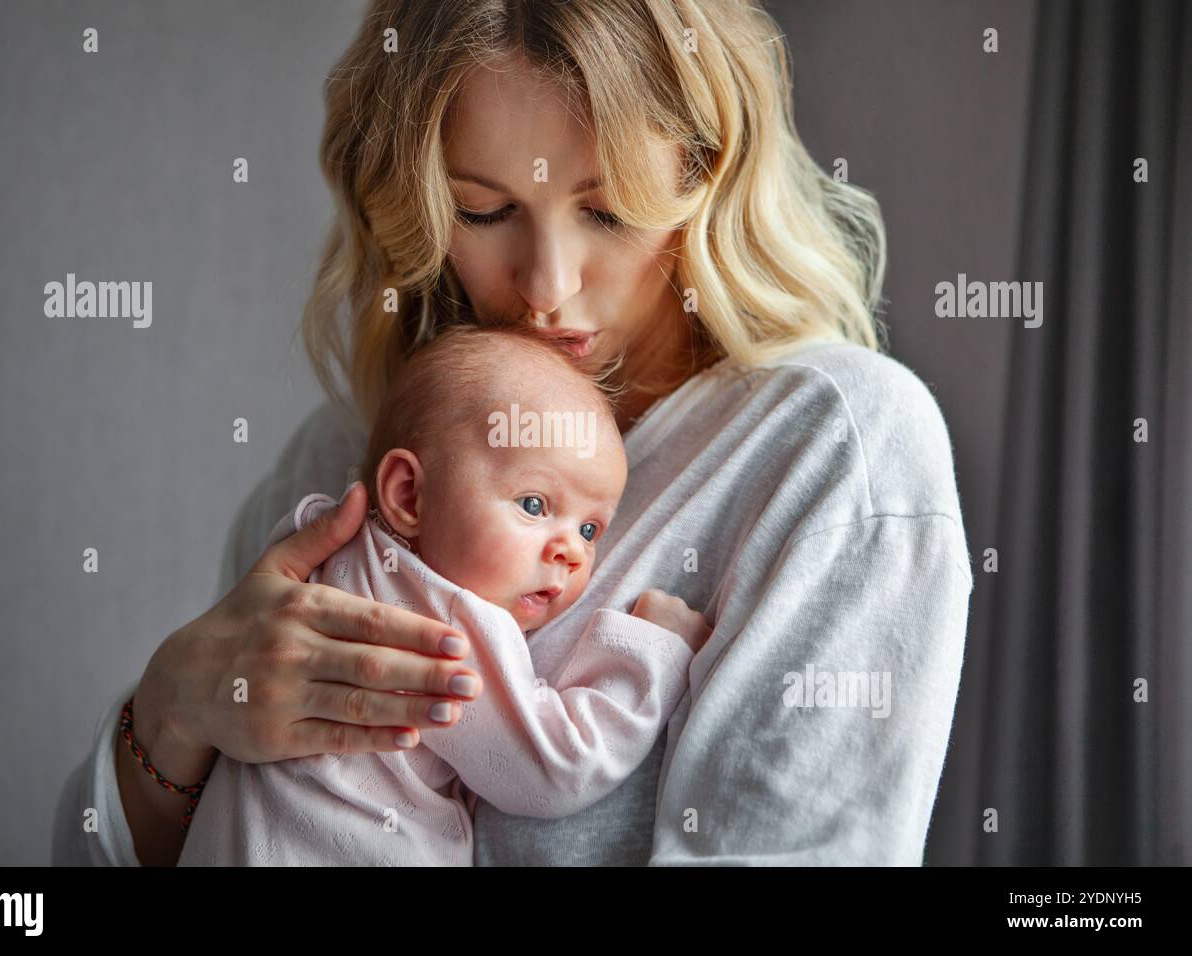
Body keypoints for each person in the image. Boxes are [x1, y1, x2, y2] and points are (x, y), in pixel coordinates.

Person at [53, 0, 973, 867]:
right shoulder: (346, 459)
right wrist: (172, 710)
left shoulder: (833, 448)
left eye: (610, 210)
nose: (546, 285)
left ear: (708, 172)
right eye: (484, 211)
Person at [177, 325, 708, 865]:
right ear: (409, 493)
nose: (571, 551)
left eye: (591, 530)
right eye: (533, 504)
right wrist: (651, 649)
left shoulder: (316, 547)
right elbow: (557, 767)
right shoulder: (448, 618)